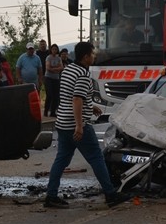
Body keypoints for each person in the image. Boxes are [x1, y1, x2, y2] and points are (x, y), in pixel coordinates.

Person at [44, 41, 128, 209]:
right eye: (92, 54)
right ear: (85, 57)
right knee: (96, 158)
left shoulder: (68, 69)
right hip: (76, 124)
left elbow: (72, 96)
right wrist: (79, 126)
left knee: (61, 159)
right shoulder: (83, 74)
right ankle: (110, 194)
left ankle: (51, 196)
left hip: (62, 122)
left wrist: (90, 106)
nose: (94, 57)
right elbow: (76, 99)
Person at [43, 43, 63, 117]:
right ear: (51, 50)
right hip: (48, 78)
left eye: (55, 49)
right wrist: (56, 68)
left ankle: (53, 112)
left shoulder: (59, 58)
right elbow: (48, 68)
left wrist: (53, 68)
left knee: (56, 96)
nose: (54, 50)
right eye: (53, 49)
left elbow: (61, 67)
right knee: (49, 95)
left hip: (56, 79)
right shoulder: (48, 57)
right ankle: (46, 110)